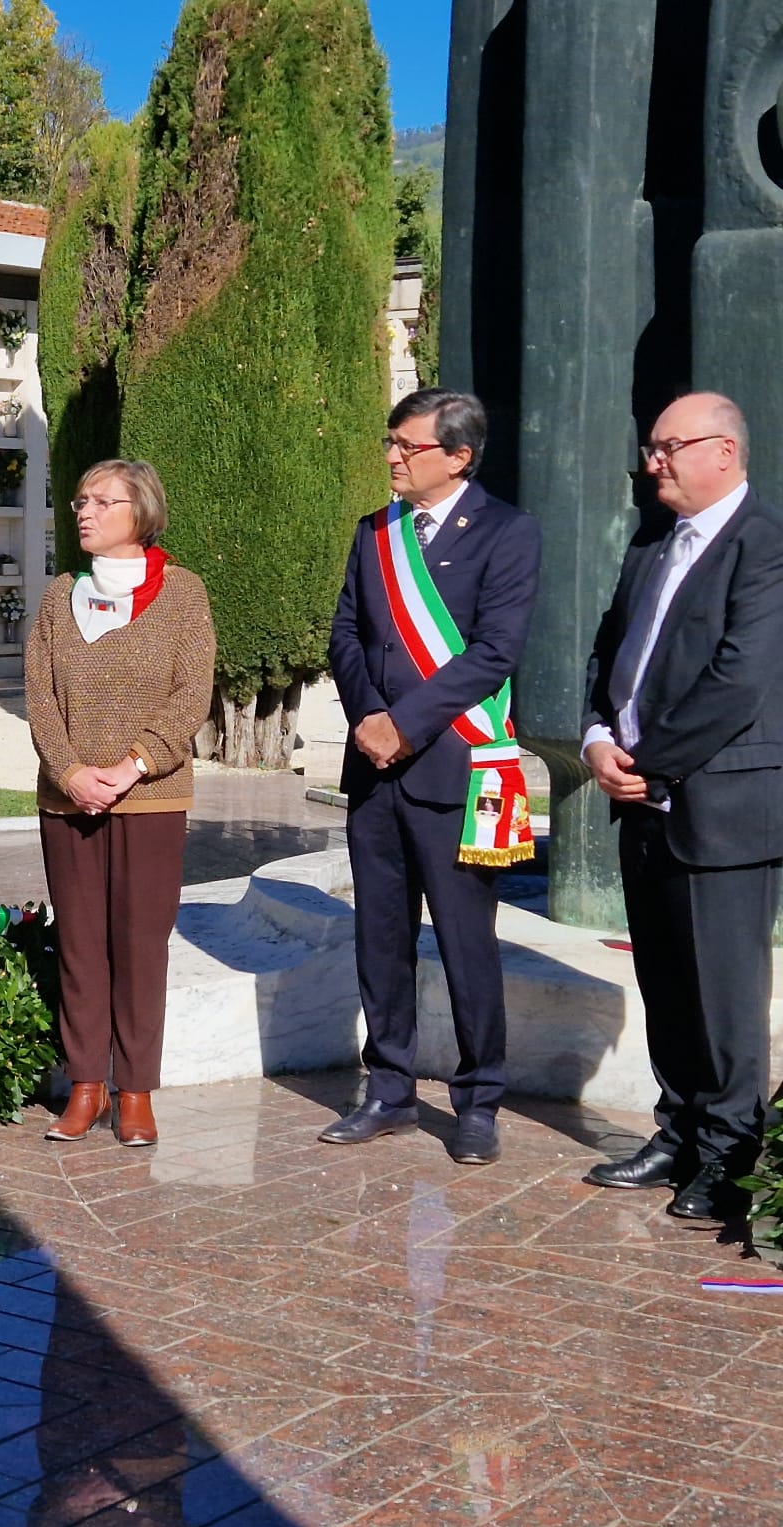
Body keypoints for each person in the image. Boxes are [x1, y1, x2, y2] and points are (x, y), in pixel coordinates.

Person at [580, 392, 783, 1221]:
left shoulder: (772, 550)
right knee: (668, 984)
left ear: (724, 450)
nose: (654, 462)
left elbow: (739, 682)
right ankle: (677, 1131)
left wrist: (648, 760)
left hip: (725, 807)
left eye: (668, 447)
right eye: (652, 448)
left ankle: (729, 1154)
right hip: (643, 798)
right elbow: (611, 652)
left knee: (723, 994)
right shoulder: (653, 546)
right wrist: (598, 739)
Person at [323, 388, 541, 1165]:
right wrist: (368, 717)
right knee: (378, 939)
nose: (391, 456)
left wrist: (405, 724)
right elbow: (345, 632)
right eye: (390, 441)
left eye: (406, 446)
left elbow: (495, 652)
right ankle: (388, 1089)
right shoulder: (373, 532)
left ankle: (478, 1100)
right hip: (373, 769)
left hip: (453, 767)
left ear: (457, 455)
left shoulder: (508, 533)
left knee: (464, 943)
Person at [26, 459, 215, 1148]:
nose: (85, 511)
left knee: (140, 946)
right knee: (79, 944)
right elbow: (40, 694)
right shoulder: (57, 596)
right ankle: (87, 1085)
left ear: (141, 512)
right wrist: (71, 770)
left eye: (102, 501)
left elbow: (192, 694)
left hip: (152, 798)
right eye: (80, 500)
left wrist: (134, 764)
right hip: (68, 798)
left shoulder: (184, 594)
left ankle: (134, 1089)